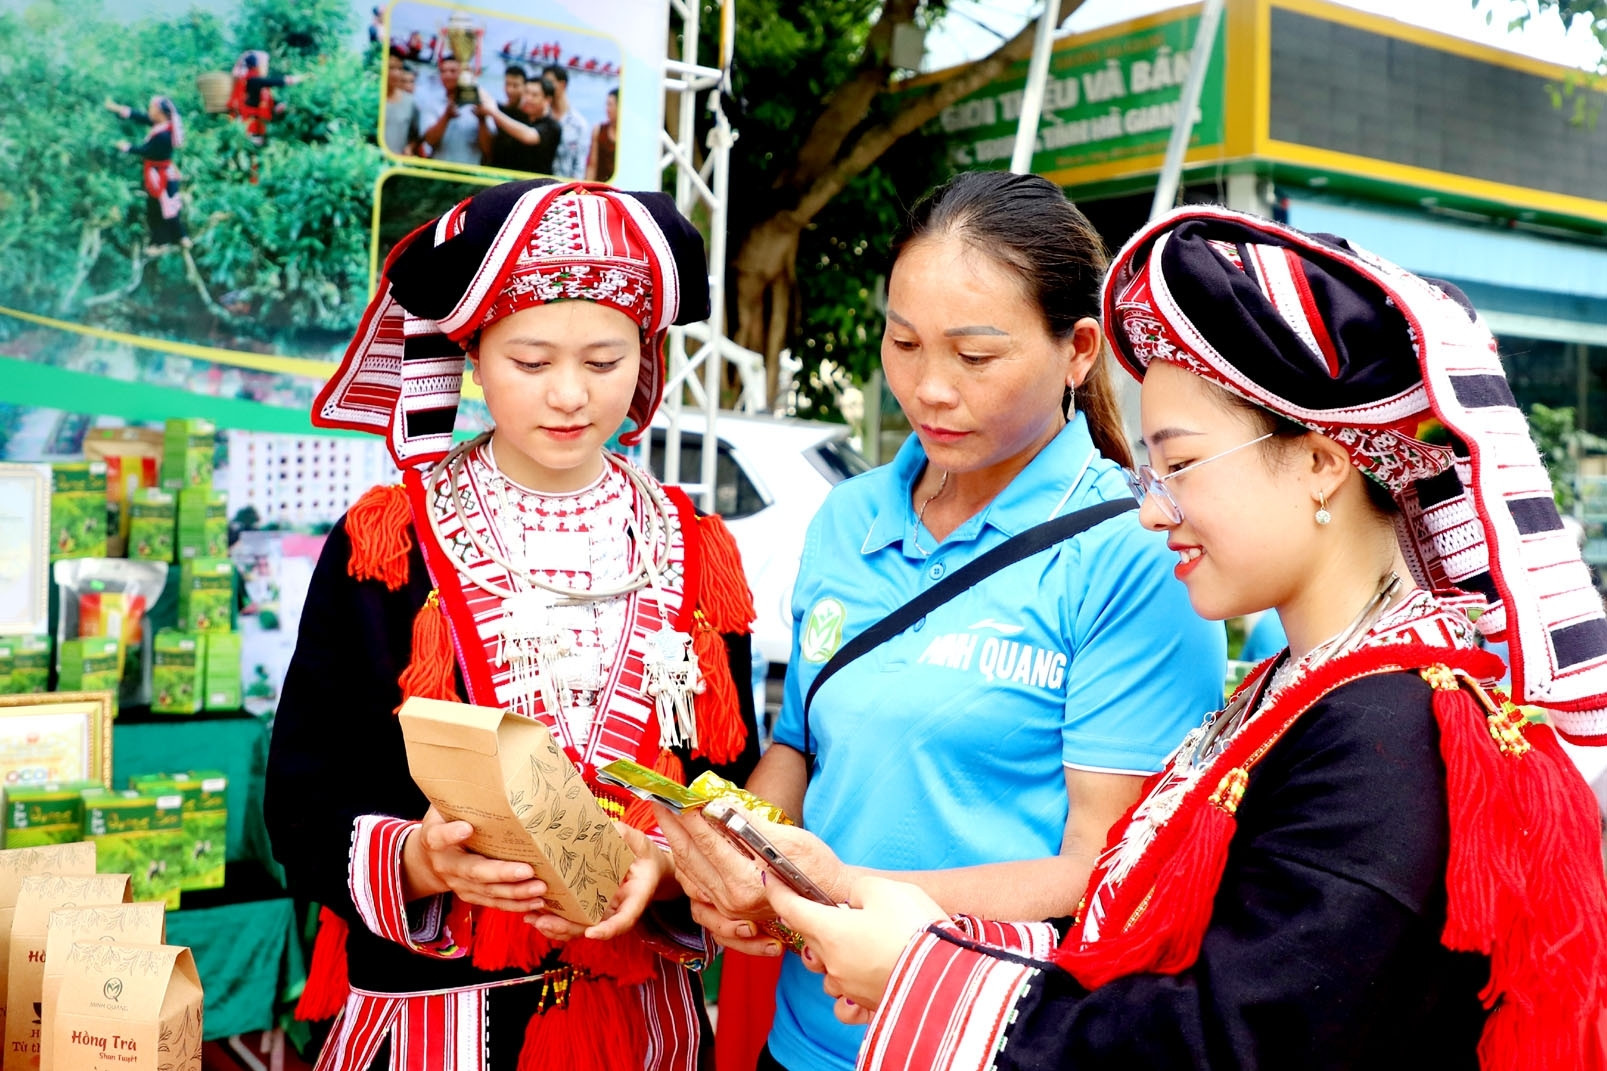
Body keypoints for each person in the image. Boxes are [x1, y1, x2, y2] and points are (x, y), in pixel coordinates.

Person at [719, 206, 1607, 1070]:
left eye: (1179, 465)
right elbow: (1141, 943)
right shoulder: (1305, 692)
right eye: (1152, 467)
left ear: (1319, 464)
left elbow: (1227, 1038)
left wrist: (919, 969)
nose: (1150, 506)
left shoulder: (1387, 735)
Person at [659, 171, 1226, 1071]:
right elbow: (801, 749)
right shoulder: (848, 519)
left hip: (982, 1040)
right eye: (903, 342)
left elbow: (1108, 865)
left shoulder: (1136, 554)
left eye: (974, 356)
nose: (928, 388)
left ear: (1077, 350)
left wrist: (846, 896)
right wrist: (732, 859)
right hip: (804, 1038)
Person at [265, 179, 763, 1071]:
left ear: (644, 358)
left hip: (640, 1024)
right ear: (473, 354)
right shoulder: (390, 540)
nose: (569, 396)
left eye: (604, 363)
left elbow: (728, 784)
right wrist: (418, 860)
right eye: (531, 363)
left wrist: (667, 868)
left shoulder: (694, 550)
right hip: (433, 1025)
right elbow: (302, 797)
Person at [104, 95, 186, 250]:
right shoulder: (164, 125)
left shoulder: (164, 135)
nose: (149, 111)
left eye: (152, 108)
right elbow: (140, 117)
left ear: (160, 112)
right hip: (163, 172)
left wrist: (127, 147)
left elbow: (147, 151)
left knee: (158, 208)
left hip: (159, 175)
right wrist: (116, 108)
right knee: (169, 206)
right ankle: (181, 237)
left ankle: (160, 243)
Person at [479, 76, 561, 175]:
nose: (528, 98)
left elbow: (529, 136)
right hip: (504, 180)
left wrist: (494, 113)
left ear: (547, 100)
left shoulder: (552, 126)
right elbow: (487, 100)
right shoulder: (515, 116)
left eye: (534, 95)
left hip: (534, 185)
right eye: (526, 93)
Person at [227, 50, 304, 145]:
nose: (266, 67)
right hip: (250, 120)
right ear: (257, 66)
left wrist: (277, 105)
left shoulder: (247, 79)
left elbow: (261, 97)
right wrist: (297, 79)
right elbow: (274, 81)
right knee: (254, 144)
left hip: (252, 119)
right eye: (265, 65)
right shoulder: (253, 79)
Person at [418, 55, 483, 164]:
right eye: (443, 71)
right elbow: (429, 140)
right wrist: (446, 117)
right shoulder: (431, 103)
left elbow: (489, 150)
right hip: (439, 171)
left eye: (453, 71)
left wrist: (482, 119)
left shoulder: (480, 103)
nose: (447, 75)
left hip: (470, 172)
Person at [544, 65, 591, 179]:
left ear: (562, 85)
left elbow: (580, 165)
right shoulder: (540, 116)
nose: (546, 87)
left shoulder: (579, 124)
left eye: (549, 82)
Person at [383, 59, 420, 156]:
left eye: (412, 82)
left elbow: (416, 135)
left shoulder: (413, 104)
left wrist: (410, 148)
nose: (408, 86)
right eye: (404, 82)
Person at [586, 89, 617, 182]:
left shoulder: (629, 134)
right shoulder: (598, 130)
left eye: (610, 105)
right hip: (600, 186)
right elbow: (592, 165)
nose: (607, 109)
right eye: (606, 104)